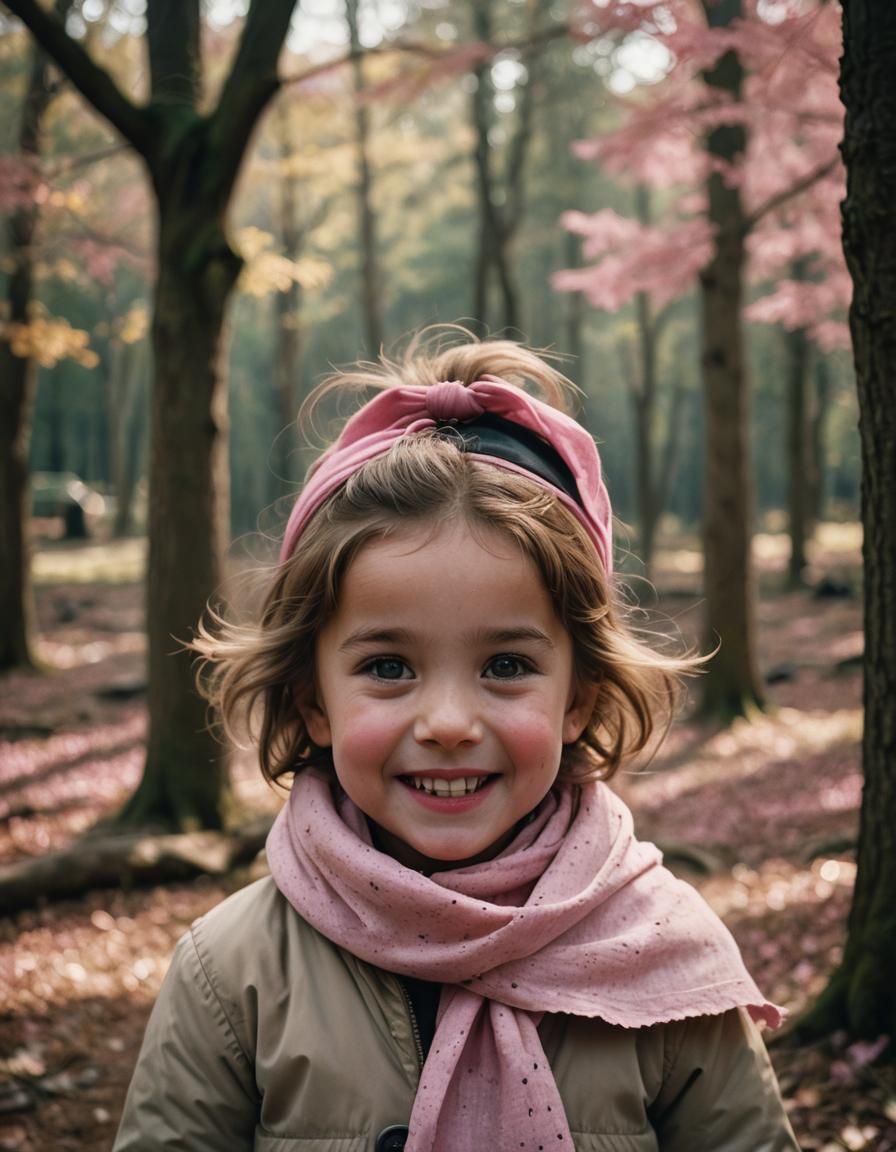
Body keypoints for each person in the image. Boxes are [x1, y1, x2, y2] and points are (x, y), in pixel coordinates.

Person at [114, 332, 800, 1152]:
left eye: (506, 664)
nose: (445, 722)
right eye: (389, 666)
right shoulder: (233, 974)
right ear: (314, 701)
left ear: (576, 699)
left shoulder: (666, 955)